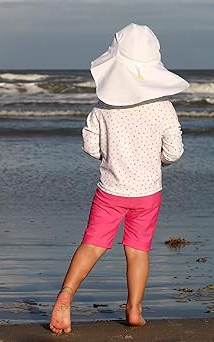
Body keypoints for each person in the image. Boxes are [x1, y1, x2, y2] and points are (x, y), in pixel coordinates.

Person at [49, 23, 189, 334]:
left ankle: (66, 296)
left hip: (110, 190)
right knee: (138, 250)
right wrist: (158, 161)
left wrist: (109, 155)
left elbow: (90, 146)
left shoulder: (103, 108)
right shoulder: (163, 108)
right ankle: (134, 310)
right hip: (147, 193)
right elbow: (174, 151)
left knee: (93, 243)